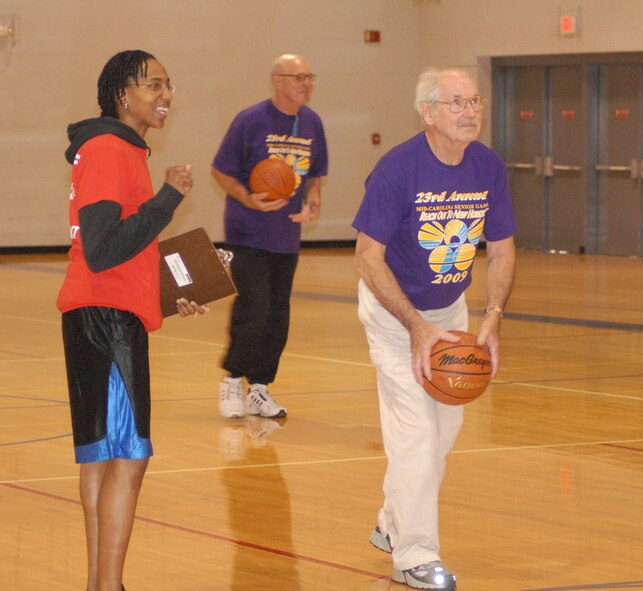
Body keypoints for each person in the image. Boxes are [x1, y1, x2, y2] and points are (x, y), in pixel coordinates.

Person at [353, 68, 517, 590]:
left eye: (475, 101)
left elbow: (504, 248)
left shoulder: (487, 166)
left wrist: (492, 317)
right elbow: (367, 257)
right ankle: (415, 556)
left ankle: (392, 521)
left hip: (450, 310)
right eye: (456, 103)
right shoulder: (397, 170)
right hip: (394, 311)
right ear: (427, 112)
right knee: (417, 434)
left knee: (446, 429)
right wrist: (414, 326)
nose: (470, 112)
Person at [56, 49, 205, 591]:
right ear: (124, 92)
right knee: (128, 455)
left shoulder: (113, 150)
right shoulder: (108, 149)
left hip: (103, 312)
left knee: (102, 458)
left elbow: (122, 248)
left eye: (170, 85)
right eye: (155, 85)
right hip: (107, 321)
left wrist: (169, 292)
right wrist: (168, 199)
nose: (166, 95)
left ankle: (101, 584)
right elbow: (100, 248)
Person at [212, 53, 328, 420]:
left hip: (286, 235)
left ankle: (260, 388)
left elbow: (314, 174)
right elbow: (221, 171)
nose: (306, 83)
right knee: (255, 308)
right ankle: (232, 379)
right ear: (278, 80)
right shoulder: (250, 120)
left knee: (278, 316)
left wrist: (313, 200)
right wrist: (247, 197)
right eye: (299, 77)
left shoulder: (312, 123)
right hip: (248, 232)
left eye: (310, 76)